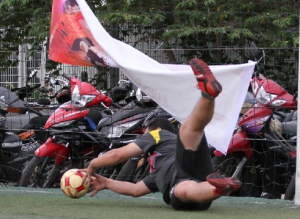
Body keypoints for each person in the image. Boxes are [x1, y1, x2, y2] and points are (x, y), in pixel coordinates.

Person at [85, 58, 241, 210]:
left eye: (145, 133)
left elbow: (118, 155)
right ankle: (207, 96)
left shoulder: (157, 135)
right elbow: (135, 190)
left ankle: (221, 189)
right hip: (199, 178)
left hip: (183, 188)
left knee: (182, 190)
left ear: (154, 130)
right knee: (189, 129)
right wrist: (106, 183)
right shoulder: (157, 173)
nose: (143, 138)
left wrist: (93, 164)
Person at [49, 0, 109, 67]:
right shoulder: (63, 17)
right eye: (76, 8)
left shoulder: (78, 14)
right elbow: (54, 31)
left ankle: (102, 58)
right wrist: (51, 43)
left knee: (92, 47)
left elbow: (88, 16)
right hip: (73, 39)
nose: (77, 10)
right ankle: (98, 59)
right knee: (84, 44)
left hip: (83, 37)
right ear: (69, 7)